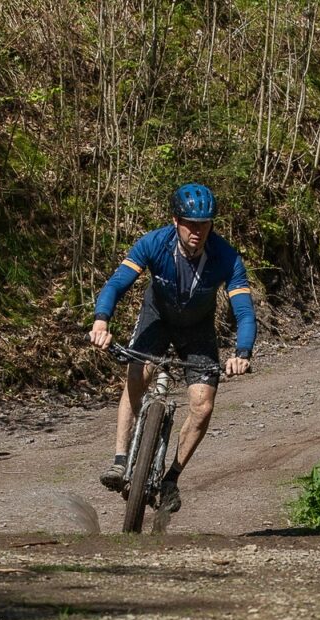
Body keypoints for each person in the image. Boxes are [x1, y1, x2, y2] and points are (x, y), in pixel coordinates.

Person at [88, 183, 256, 514]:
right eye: (191, 224)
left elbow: (245, 311)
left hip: (197, 330)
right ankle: (120, 460)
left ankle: (171, 479)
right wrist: (101, 322)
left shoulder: (227, 258)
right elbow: (117, 283)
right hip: (157, 317)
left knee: (203, 404)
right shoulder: (154, 243)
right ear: (175, 220)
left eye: (204, 224)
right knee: (138, 374)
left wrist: (242, 352)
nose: (197, 231)